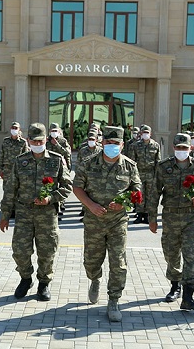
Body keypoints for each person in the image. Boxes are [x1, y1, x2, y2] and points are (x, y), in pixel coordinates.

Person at [73, 126, 141, 322]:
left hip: (118, 221)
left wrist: (123, 202)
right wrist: (91, 205)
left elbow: (137, 190)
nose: (112, 146)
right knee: (91, 260)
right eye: (108, 143)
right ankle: (94, 279)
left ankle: (114, 300)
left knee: (118, 262)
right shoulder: (88, 163)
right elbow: (77, 187)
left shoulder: (129, 166)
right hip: (94, 219)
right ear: (103, 143)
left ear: (122, 145)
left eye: (116, 144)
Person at [0, 123, 73, 301]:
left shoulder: (56, 160)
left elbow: (67, 186)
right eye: (34, 140)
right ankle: (25, 278)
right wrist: (5, 215)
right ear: (28, 140)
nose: (37, 143)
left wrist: (51, 198)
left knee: (47, 251)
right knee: (20, 250)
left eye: (40, 140)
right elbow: (11, 189)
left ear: (46, 140)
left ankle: (44, 282)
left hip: (47, 215)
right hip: (24, 213)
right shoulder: (20, 161)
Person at [148, 133, 194, 310]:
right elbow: (154, 193)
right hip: (170, 217)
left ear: (190, 148)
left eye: (184, 148)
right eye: (178, 148)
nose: (181, 151)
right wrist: (152, 218)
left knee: (191, 255)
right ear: (173, 148)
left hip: (191, 217)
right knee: (171, 254)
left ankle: (188, 295)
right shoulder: (163, 167)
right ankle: (175, 285)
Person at [0, 121, 29, 219]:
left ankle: (16, 211)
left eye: (16, 128)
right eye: (12, 127)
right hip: (7, 170)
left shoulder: (23, 142)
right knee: (7, 191)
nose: (14, 130)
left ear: (19, 130)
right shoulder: (6, 141)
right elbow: (1, 155)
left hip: (18, 170)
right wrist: (0, 169)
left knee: (18, 190)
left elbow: (26, 157)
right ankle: (8, 211)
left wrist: (25, 170)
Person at [129, 124, 160, 224]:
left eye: (147, 133)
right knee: (139, 194)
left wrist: (157, 175)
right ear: (141, 134)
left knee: (149, 195)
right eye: (143, 133)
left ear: (150, 134)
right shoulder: (136, 145)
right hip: (139, 174)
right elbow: (133, 161)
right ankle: (139, 214)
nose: (145, 134)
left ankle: (146, 215)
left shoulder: (155, 145)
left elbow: (158, 161)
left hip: (151, 174)